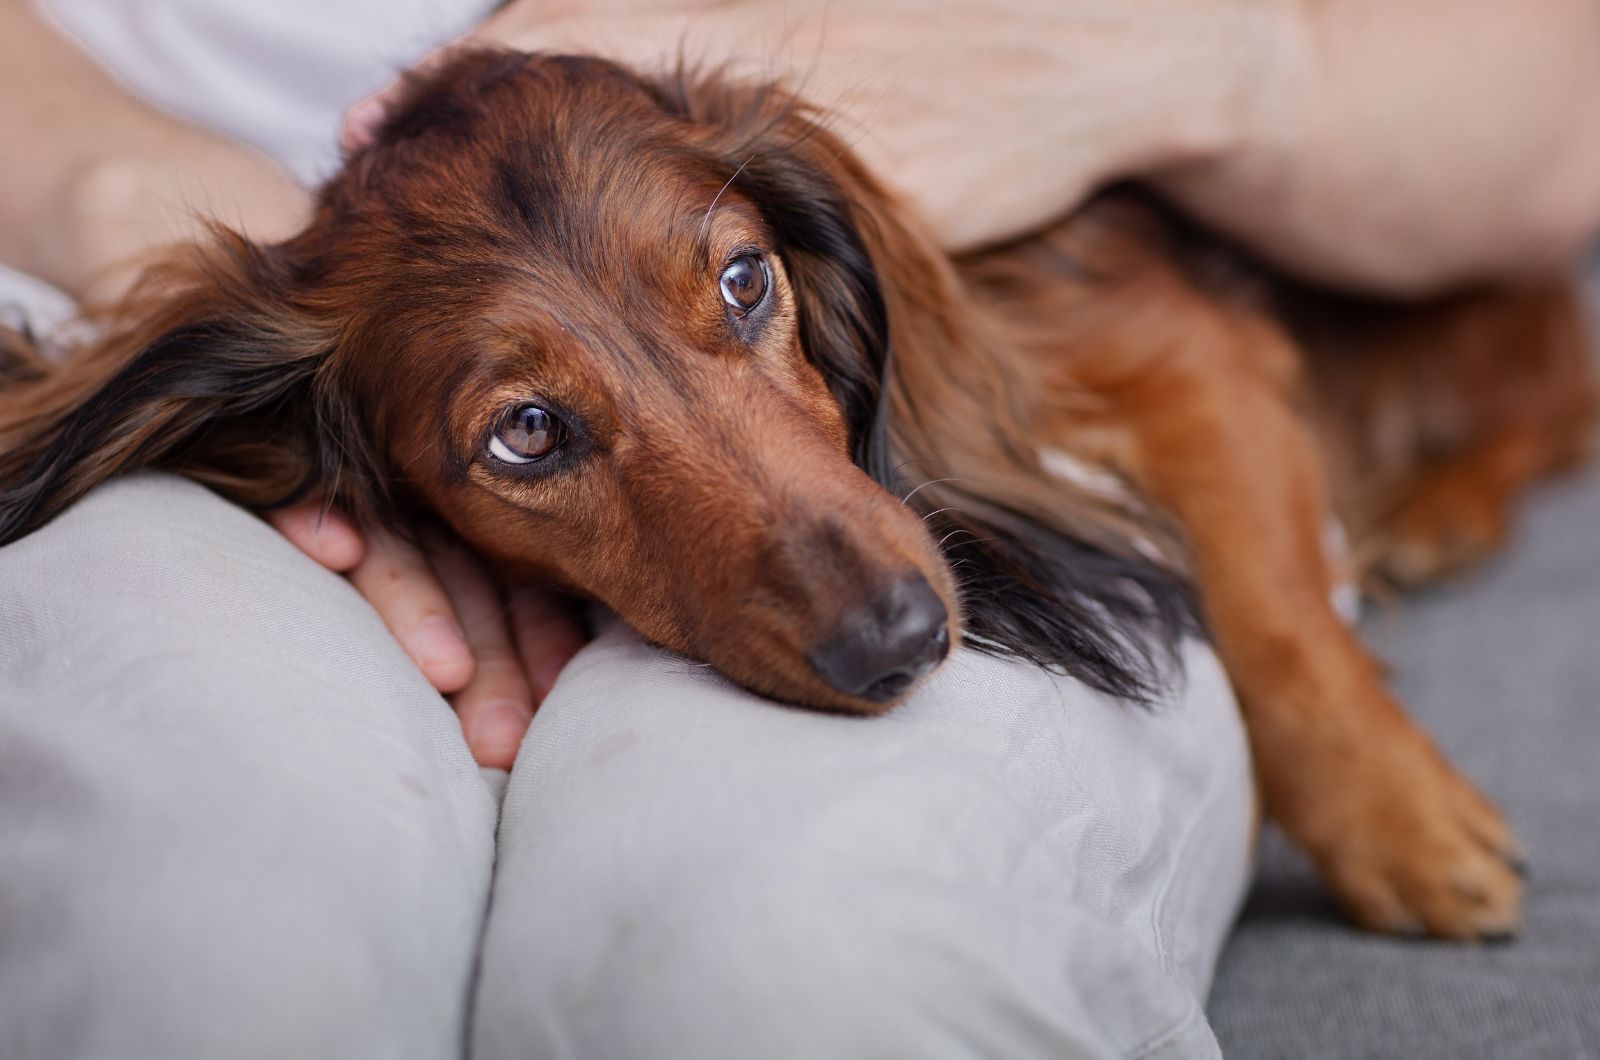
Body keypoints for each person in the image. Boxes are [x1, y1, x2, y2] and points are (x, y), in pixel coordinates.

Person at [1, 1, 1596, 1057]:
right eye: (537, 433)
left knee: (797, 956)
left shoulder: (831, 219)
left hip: (961, 315)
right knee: (191, 927)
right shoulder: (255, 364)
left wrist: (1121, 56)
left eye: (741, 295)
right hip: (154, 295)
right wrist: (99, 183)